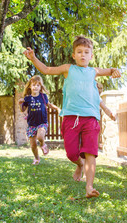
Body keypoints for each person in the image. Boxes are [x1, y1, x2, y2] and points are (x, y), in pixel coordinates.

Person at [23, 36, 121, 198]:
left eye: (86, 52)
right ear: (74, 55)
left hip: (90, 118)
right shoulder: (68, 68)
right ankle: (79, 164)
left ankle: (89, 187)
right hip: (71, 118)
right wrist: (33, 58)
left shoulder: (93, 72)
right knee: (71, 153)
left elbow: (110, 71)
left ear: (91, 56)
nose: (83, 55)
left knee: (90, 152)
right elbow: (47, 70)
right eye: (79, 52)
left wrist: (115, 71)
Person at [18, 75, 60, 165]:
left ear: (40, 87)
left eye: (38, 85)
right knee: (33, 145)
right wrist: (20, 104)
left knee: (40, 136)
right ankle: (37, 158)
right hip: (31, 124)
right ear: (30, 86)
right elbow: (23, 109)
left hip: (42, 122)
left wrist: (57, 109)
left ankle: (43, 145)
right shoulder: (28, 98)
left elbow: (49, 104)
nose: (35, 87)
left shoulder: (43, 96)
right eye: (34, 85)